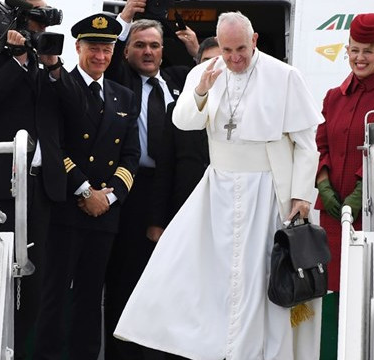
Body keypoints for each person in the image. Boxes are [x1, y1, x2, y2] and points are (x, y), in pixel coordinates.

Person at [113, 11, 324, 360]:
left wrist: (302, 195)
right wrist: (200, 91)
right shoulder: (205, 72)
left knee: (261, 278)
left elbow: (306, 144)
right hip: (219, 190)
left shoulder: (285, 76)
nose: (234, 58)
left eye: (241, 48)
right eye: (226, 51)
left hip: (268, 190)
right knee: (200, 272)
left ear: (254, 40)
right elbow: (184, 122)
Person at [0, 1, 80, 358]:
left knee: (41, 283)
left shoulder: (49, 61)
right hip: (3, 189)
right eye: (36, 18)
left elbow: (76, 111)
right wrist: (15, 61)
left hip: (44, 189)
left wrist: (54, 67)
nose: (41, 27)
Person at [32, 13, 140, 360]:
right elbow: (54, 146)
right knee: (54, 293)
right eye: (93, 48)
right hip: (66, 206)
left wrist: (109, 196)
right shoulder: (57, 84)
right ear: (78, 47)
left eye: (107, 49)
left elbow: (131, 153)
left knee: (91, 297)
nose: (100, 56)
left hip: (104, 212)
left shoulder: (123, 95)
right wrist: (84, 190)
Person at [314, 13, 374, 359]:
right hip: (332, 217)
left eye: (368, 51)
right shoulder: (332, 97)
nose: (359, 58)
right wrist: (324, 186)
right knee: (330, 295)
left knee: (363, 295)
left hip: (367, 215)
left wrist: (357, 194)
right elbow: (320, 144)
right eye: (354, 50)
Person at [102, 2, 193, 359]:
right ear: (125, 52)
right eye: (139, 45)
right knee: (126, 278)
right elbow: (108, 53)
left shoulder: (175, 80)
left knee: (170, 280)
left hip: (173, 192)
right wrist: (124, 19)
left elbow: (213, 74)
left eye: (154, 45)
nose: (148, 51)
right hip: (131, 190)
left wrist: (193, 48)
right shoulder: (119, 81)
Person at [148, 38, 221, 242]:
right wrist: (157, 221)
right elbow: (165, 167)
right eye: (206, 61)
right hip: (184, 208)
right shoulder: (177, 110)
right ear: (197, 66)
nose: (211, 67)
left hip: (226, 209)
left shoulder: (243, 110)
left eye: (218, 61)